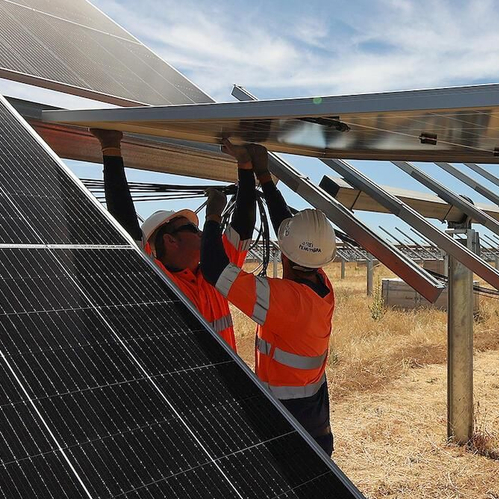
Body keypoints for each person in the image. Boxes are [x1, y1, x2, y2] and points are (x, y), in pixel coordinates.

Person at [199, 143, 339, 455]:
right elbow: (287, 229)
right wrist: (258, 173)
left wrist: (212, 216)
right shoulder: (321, 285)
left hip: (289, 413)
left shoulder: (284, 301)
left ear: (286, 255)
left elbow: (213, 269)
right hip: (313, 406)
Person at [90, 128, 255, 351]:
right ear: (170, 240)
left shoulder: (213, 271)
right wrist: (110, 147)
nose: (200, 232)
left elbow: (241, 230)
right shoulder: (160, 283)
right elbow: (125, 227)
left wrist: (245, 167)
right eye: (191, 228)